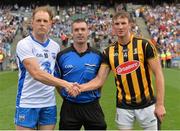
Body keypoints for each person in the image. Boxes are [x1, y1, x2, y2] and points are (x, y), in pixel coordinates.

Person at [77, 11, 166, 130]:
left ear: (130, 25)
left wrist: (160, 104)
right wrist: (80, 87)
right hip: (123, 107)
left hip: (147, 105)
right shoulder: (108, 52)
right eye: (117, 24)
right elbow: (99, 80)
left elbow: (158, 74)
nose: (120, 26)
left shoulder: (145, 45)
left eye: (123, 23)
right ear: (113, 27)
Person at [14, 6, 74, 130]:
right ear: (32, 22)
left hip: (49, 103)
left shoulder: (55, 46)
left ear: (51, 23)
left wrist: (66, 96)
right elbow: (36, 73)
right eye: (38, 20)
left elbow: (55, 74)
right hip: (27, 103)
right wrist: (66, 84)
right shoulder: (24, 44)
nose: (42, 24)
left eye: (45, 21)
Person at [55, 19, 107, 130]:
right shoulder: (62, 56)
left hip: (92, 105)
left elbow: (100, 80)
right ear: (72, 33)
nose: (80, 32)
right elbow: (57, 82)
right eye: (76, 30)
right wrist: (66, 95)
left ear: (88, 32)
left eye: (83, 29)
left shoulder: (98, 55)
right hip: (70, 106)